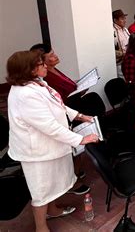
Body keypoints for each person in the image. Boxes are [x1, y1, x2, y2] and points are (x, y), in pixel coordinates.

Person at [6, 51, 99, 232]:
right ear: (29, 70)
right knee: (41, 190)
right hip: (37, 152)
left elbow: (59, 105)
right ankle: (41, 227)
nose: (45, 66)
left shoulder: (40, 83)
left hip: (51, 145)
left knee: (54, 183)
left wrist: (79, 116)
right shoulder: (24, 94)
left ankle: (53, 209)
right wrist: (80, 139)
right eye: (41, 64)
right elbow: (48, 126)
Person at [29, 43, 90, 195]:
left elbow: (67, 86)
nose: (56, 57)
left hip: (72, 110)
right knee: (68, 149)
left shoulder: (52, 70)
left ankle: (75, 173)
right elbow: (56, 101)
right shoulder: (42, 81)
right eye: (51, 57)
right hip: (61, 117)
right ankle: (70, 182)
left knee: (74, 150)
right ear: (41, 63)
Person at [113, 9, 130, 78]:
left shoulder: (125, 29)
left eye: (125, 18)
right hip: (119, 62)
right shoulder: (112, 31)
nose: (125, 20)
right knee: (122, 78)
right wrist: (121, 53)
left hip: (127, 60)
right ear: (115, 20)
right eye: (122, 19)